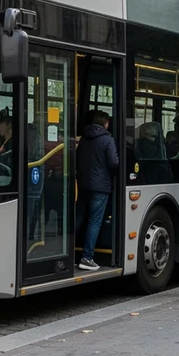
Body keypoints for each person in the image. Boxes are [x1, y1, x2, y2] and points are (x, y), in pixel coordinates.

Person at [75, 111, 119, 272]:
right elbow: (114, 163)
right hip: (100, 186)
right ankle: (87, 257)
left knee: (78, 217)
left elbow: (77, 158)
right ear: (105, 123)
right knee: (94, 221)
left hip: (83, 184)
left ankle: (68, 252)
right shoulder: (108, 140)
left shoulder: (84, 138)